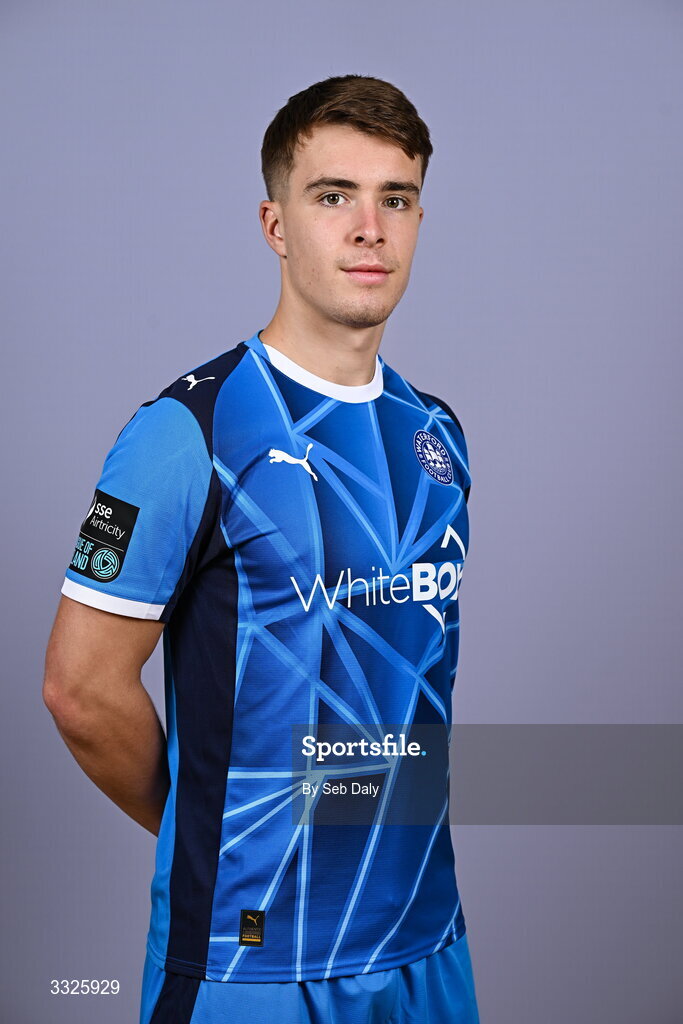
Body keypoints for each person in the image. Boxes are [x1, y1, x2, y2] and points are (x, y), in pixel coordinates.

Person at [43, 74, 480, 1024]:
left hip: (425, 942)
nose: (370, 228)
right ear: (276, 224)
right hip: (255, 964)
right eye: (334, 197)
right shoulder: (185, 432)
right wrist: (204, 828)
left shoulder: (435, 434)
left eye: (395, 199)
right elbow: (81, 692)